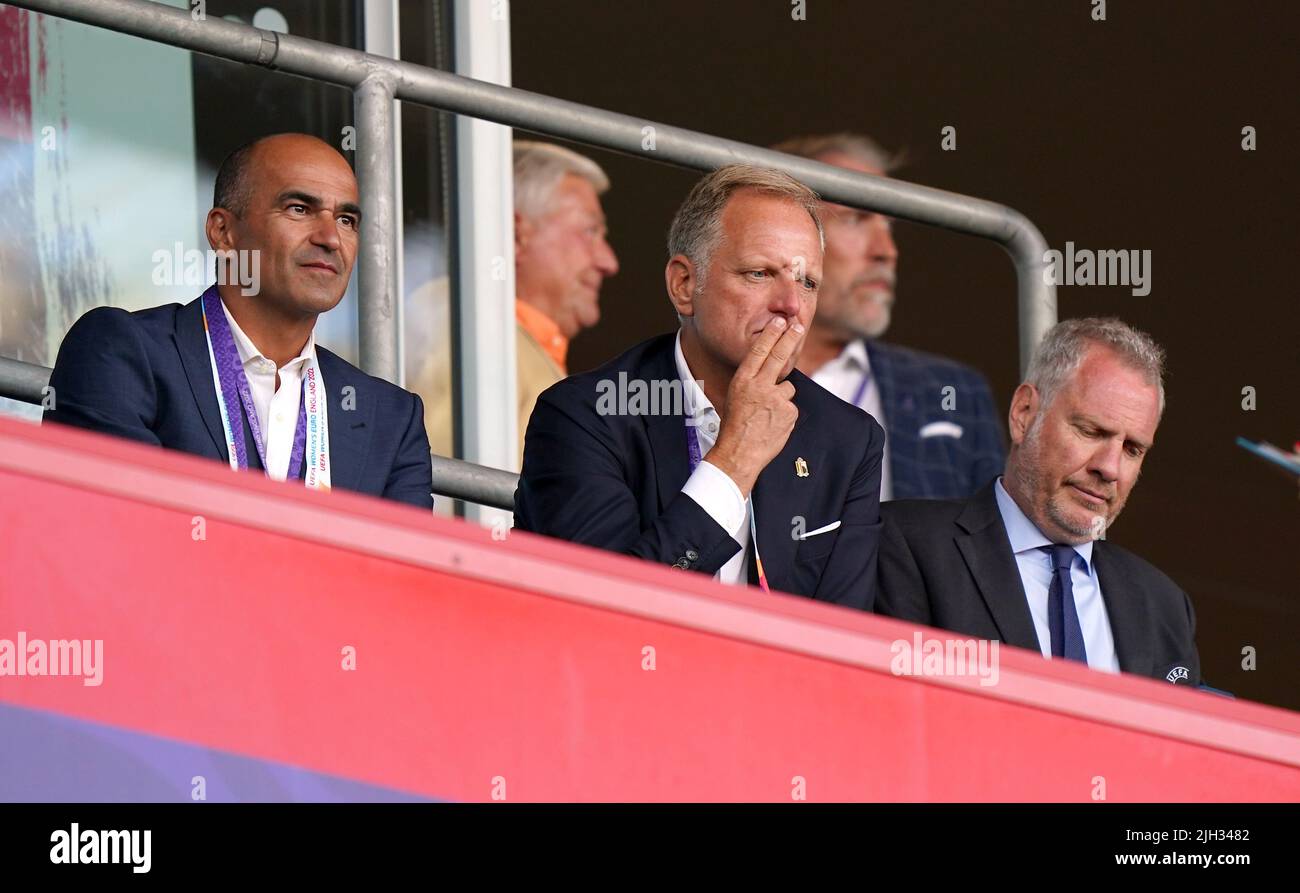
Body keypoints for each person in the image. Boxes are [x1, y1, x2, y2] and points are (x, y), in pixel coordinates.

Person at [514, 165, 884, 610]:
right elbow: (607, 614)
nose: (791, 305)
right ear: (684, 285)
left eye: (807, 282)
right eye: (760, 273)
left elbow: (842, 646)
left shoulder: (847, 438)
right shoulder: (586, 415)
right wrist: (734, 462)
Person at [44, 133, 434, 509]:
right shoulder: (120, 352)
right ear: (223, 232)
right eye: (299, 208)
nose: (331, 237)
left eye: (347, 219)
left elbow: (401, 576)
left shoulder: (393, 420)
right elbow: (119, 540)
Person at [876, 317, 1200, 684]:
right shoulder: (907, 545)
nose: (1109, 468)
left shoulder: (1165, 606)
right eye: (1092, 431)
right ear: (1024, 414)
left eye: (1132, 449)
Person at [774, 133, 1004, 500]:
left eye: (890, 226)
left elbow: (992, 552)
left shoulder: (957, 393)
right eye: (856, 219)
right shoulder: (699, 377)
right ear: (783, 234)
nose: (887, 251)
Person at [409, 141, 619, 468]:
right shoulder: (461, 315)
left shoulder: (510, 340)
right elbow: (443, 491)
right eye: (590, 231)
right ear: (515, 234)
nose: (609, 261)